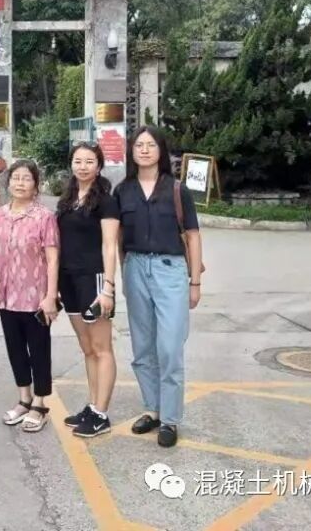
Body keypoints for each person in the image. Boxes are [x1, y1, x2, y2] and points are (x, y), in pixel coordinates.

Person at [115, 125, 203, 449]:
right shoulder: (122, 191)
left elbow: (193, 236)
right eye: (139, 145)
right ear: (132, 151)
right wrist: (123, 273)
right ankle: (152, 409)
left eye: (151, 145)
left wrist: (195, 282)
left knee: (169, 347)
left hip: (170, 270)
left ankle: (170, 419)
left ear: (161, 151)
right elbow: (117, 238)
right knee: (142, 348)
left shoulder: (178, 190)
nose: (144, 150)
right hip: (135, 268)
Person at [0, 159, 59, 433]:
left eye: (26, 178)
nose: (20, 183)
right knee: (15, 348)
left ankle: (40, 404)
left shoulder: (44, 217)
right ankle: (24, 398)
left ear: (35, 185)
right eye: (16, 178)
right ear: (8, 183)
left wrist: (51, 296)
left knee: (39, 350)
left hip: (35, 296)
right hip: (7, 294)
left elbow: (53, 259)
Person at [55, 142, 120, 439]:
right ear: (71, 164)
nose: (83, 166)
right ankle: (92, 406)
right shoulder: (68, 199)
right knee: (87, 348)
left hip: (93, 279)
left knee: (102, 348)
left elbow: (109, 245)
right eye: (78, 161)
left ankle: (101, 414)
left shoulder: (106, 201)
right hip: (68, 279)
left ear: (99, 166)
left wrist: (108, 288)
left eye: (89, 161)